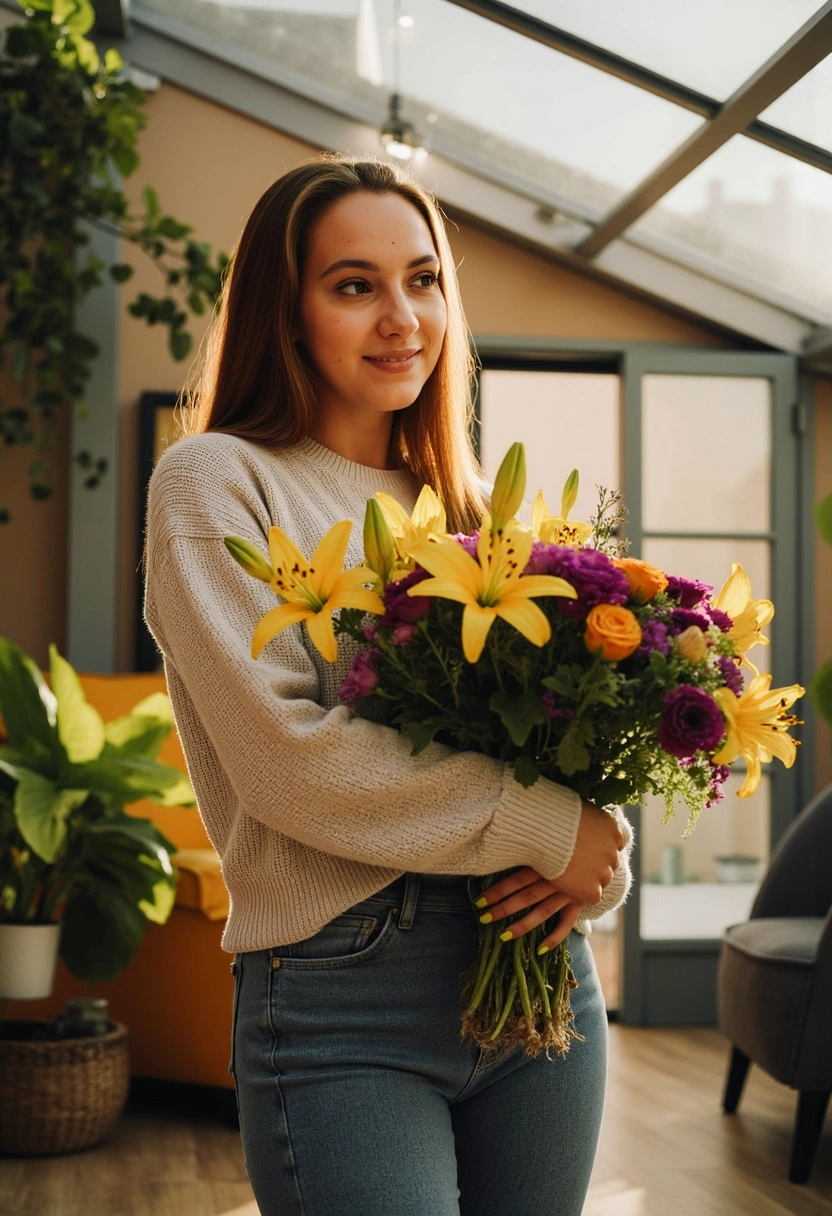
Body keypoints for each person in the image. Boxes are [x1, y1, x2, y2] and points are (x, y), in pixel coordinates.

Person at [144, 154, 633, 1216]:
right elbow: (287, 763)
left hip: (538, 976)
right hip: (338, 993)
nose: (402, 315)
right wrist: (547, 826)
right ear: (288, 308)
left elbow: (554, 743)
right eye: (354, 284)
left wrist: (596, 858)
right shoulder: (218, 478)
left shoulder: (471, 514)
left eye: (422, 279)